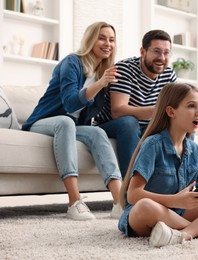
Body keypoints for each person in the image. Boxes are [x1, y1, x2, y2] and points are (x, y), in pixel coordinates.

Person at [118, 82, 198, 247]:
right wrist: (175, 200)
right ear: (171, 111)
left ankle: (186, 233)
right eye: (191, 106)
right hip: (148, 215)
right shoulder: (153, 145)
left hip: (180, 213)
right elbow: (133, 195)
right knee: (145, 206)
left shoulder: (193, 148)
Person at [22, 22, 122, 221]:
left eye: (111, 39)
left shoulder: (103, 72)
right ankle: (74, 202)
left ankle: (120, 203)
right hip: (42, 122)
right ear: (90, 39)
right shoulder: (72, 62)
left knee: (98, 132)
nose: (107, 43)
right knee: (66, 122)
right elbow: (69, 104)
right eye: (101, 38)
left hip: (72, 126)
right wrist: (101, 84)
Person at [94, 29, 176, 178]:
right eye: (156, 51)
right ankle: (129, 190)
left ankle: (180, 187)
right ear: (143, 52)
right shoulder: (125, 69)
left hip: (147, 126)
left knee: (183, 125)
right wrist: (159, 111)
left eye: (166, 53)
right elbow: (118, 111)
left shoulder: (168, 74)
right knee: (129, 123)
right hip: (112, 125)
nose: (162, 58)